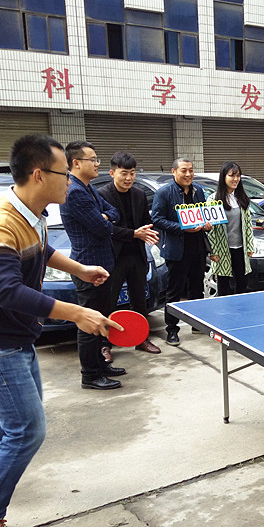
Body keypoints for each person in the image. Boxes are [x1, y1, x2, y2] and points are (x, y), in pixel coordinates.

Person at [0, 133, 120, 527]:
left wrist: (79, 268)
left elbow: (42, 251)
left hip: (14, 339)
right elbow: (6, 291)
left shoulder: (33, 213)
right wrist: (76, 312)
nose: (71, 181)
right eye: (65, 173)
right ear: (38, 174)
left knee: (14, 418)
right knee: (27, 429)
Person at [60, 141, 125, 390]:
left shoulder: (87, 188)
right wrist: (105, 219)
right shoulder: (75, 191)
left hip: (102, 264)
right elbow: (102, 228)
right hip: (88, 266)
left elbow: (113, 212)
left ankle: (100, 364)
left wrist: (105, 217)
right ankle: (90, 374)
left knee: (100, 318)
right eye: (93, 159)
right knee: (89, 322)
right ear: (76, 163)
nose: (97, 164)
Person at [97, 152, 161, 355]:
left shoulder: (139, 194)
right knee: (109, 301)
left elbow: (146, 223)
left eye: (132, 173)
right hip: (113, 256)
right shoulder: (102, 195)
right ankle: (104, 345)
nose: (128, 178)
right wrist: (134, 233)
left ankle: (141, 339)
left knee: (139, 300)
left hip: (137, 255)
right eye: (124, 173)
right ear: (112, 173)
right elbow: (105, 228)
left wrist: (149, 233)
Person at [151, 158, 210, 346]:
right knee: (174, 291)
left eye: (191, 170)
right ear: (173, 172)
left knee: (197, 288)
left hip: (198, 247)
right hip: (177, 249)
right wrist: (182, 228)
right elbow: (157, 219)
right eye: (184, 170)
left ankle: (197, 324)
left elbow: (203, 215)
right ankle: (172, 330)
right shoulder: (164, 193)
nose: (188, 174)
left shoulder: (198, 191)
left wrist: (207, 224)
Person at [207, 161, 255, 296]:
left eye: (238, 176)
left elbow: (248, 225)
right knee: (223, 284)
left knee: (242, 282)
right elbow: (211, 231)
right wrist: (212, 251)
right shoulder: (213, 200)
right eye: (231, 175)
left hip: (240, 248)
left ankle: (240, 307)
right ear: (223, 177)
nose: (235, 179)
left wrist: (250, 246)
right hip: (222, 249)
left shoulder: (242, 198)